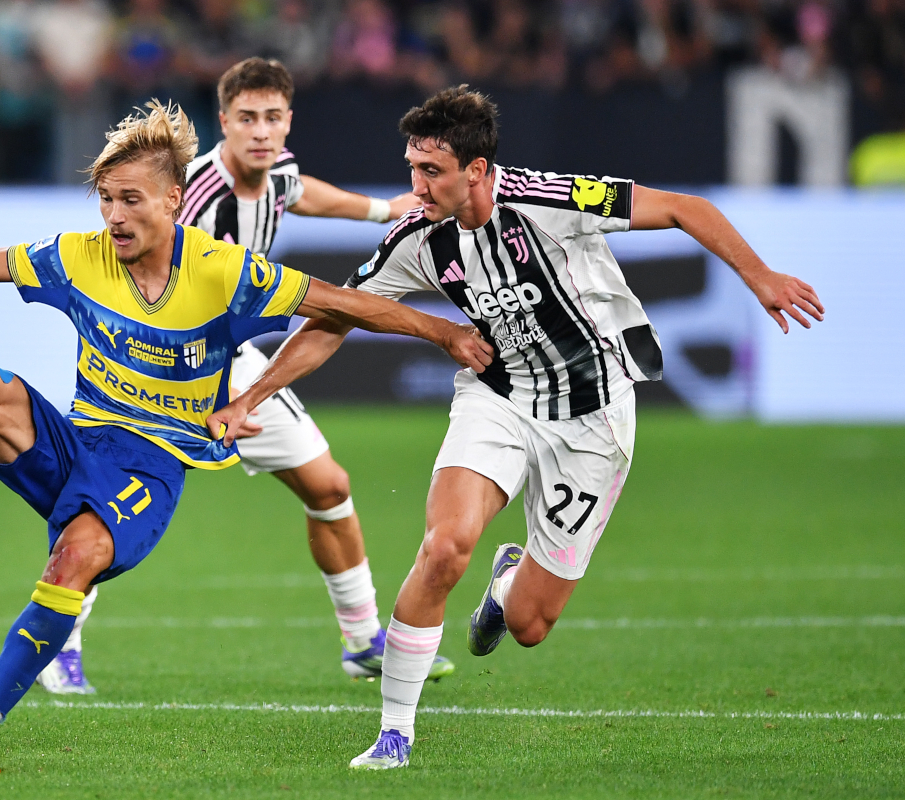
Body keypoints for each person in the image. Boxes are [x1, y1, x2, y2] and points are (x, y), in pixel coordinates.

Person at [0, 101, 492, 775]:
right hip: (80, 442)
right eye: (105, 200)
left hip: (152, 466)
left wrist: (445, 332)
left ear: (173, 200)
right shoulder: (78, 257)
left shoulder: (223, 272)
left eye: (130, 200)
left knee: (75, 559)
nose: (114, 216)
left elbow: (343, 305)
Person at [206, 85, 825, 770]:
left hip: (593, 416)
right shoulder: (417, 236)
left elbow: (685, 208)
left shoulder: (552, 200)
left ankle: (507, 583)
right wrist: (251, 396)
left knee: (530, 624)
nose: (417, 187)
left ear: (476, 170)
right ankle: (393, 734)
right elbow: (336, 318)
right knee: (445, 547)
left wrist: (761, 277)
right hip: (498, 399)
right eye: (412, 168)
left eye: (432, 171)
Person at [40, 56, 449, 695]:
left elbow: (302, 190)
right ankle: (58, 647)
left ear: (288, 122)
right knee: (105, 502)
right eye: (248, 118)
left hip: (233, 363)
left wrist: (380, 210)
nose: (261, 131)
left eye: (273, 118)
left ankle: (362, 640)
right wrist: (210, 387)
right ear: (224, 122)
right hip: (166, 367)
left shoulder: (277, 171)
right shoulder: (195, 199)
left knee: (329, 487)